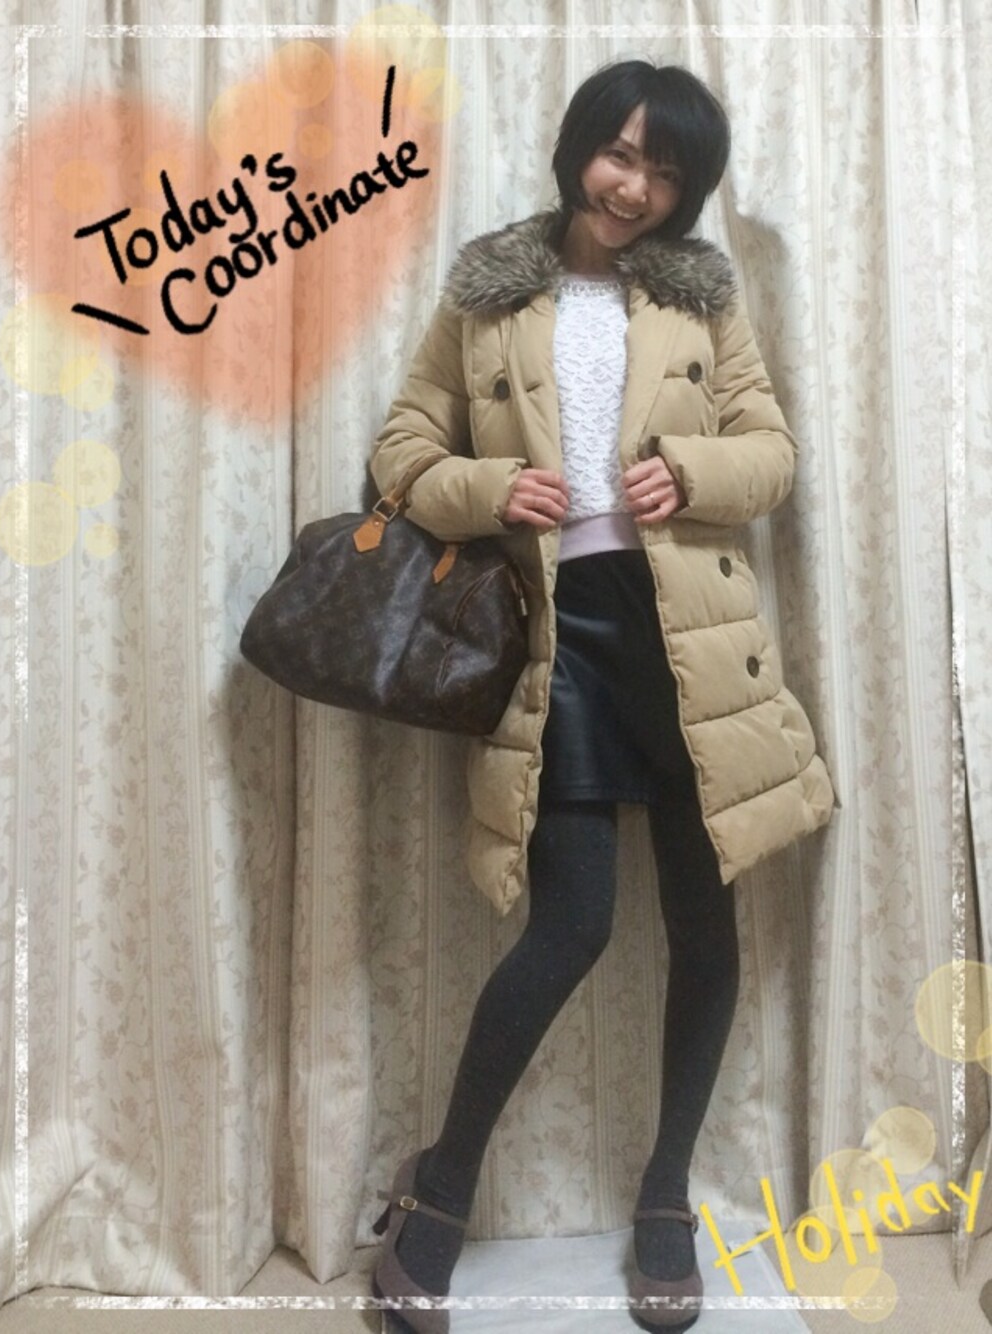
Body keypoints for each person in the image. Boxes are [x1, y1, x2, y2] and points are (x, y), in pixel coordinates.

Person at [368, 59, 835, 1333]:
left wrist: (689, 468)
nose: (633, 186)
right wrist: (484, 490)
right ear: (580, 145)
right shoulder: (488, 289)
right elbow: (401, 449)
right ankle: (439, 1184)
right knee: (570, 924)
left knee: (702, 922)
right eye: (619, 154)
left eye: (665, 171)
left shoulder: (700, 299)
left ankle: (666, 1194)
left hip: (688, 636)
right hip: (556, 637)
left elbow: (772, 453)